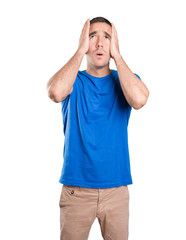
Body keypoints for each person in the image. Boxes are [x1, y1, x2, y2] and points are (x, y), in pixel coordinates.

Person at [47, 16, 149, 240]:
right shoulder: (73, 81)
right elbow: (55, 92)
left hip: (116, 190)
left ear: (114, 44)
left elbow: (140, 100)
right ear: (84, 42)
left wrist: (118, 56)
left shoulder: (125, 80)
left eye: (107, 37)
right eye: (93, 37)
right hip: (76, 191)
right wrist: (80, 50)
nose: (100, 43)